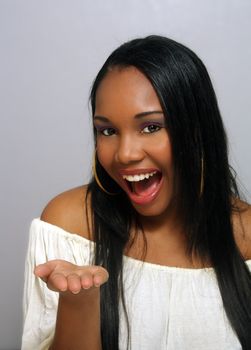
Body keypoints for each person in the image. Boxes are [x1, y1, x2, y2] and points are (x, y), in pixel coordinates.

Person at [22, 35, 251, 350]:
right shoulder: (69, 226)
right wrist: (81, 300)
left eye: (152, 127)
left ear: (198, 130)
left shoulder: (247, 236)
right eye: (108, 130)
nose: (125, 154)